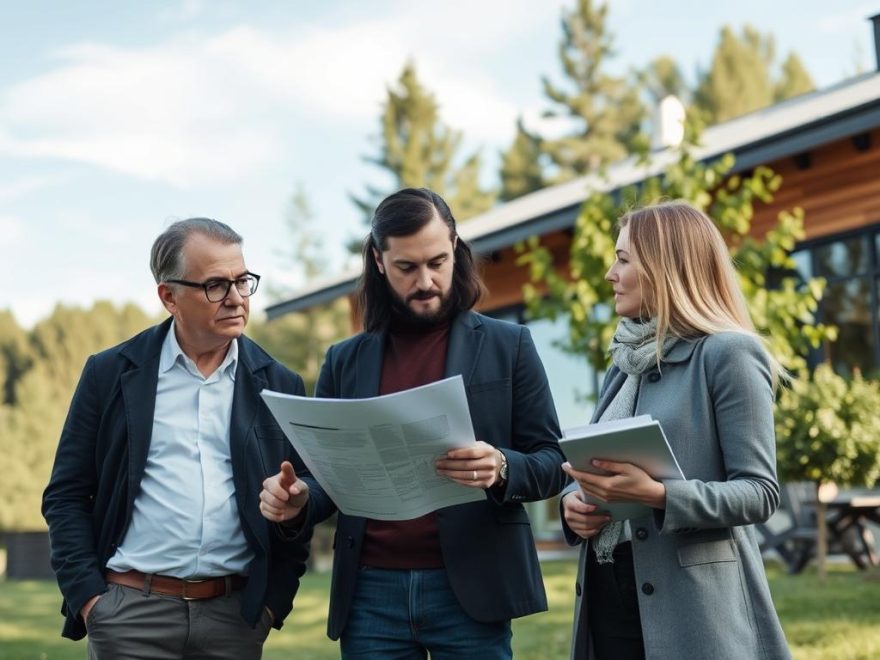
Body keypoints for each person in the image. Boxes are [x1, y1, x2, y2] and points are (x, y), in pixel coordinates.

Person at [259, 187, 567, 659]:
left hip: (472, 586)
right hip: (369, 596)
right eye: (407, 267)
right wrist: (298, 500)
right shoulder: (344, 360)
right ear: (380, 263)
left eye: (438, 262)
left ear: (456, 250)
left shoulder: (510, 345)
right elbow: (322, 479)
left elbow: (551, 460)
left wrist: (501, 466)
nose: (426, 280)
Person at [42, 218, 312, 659]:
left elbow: (302, 499)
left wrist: (269, 606)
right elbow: (66, 495)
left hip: (235, 619)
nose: (236, 299)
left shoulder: (280, 383)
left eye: (243, 281)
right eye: (215, 286)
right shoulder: (110, 374)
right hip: (129, 614)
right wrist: (91, 601)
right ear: (169, 296)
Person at [560, 200, 791, 659]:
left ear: (667, 267)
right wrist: (573, 505)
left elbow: (760, 492)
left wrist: (660, 495)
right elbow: (599, 465)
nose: (610, 273)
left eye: (623, 259)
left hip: (694, 608)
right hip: (608, 589)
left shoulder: (729, 354)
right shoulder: (625, 361)